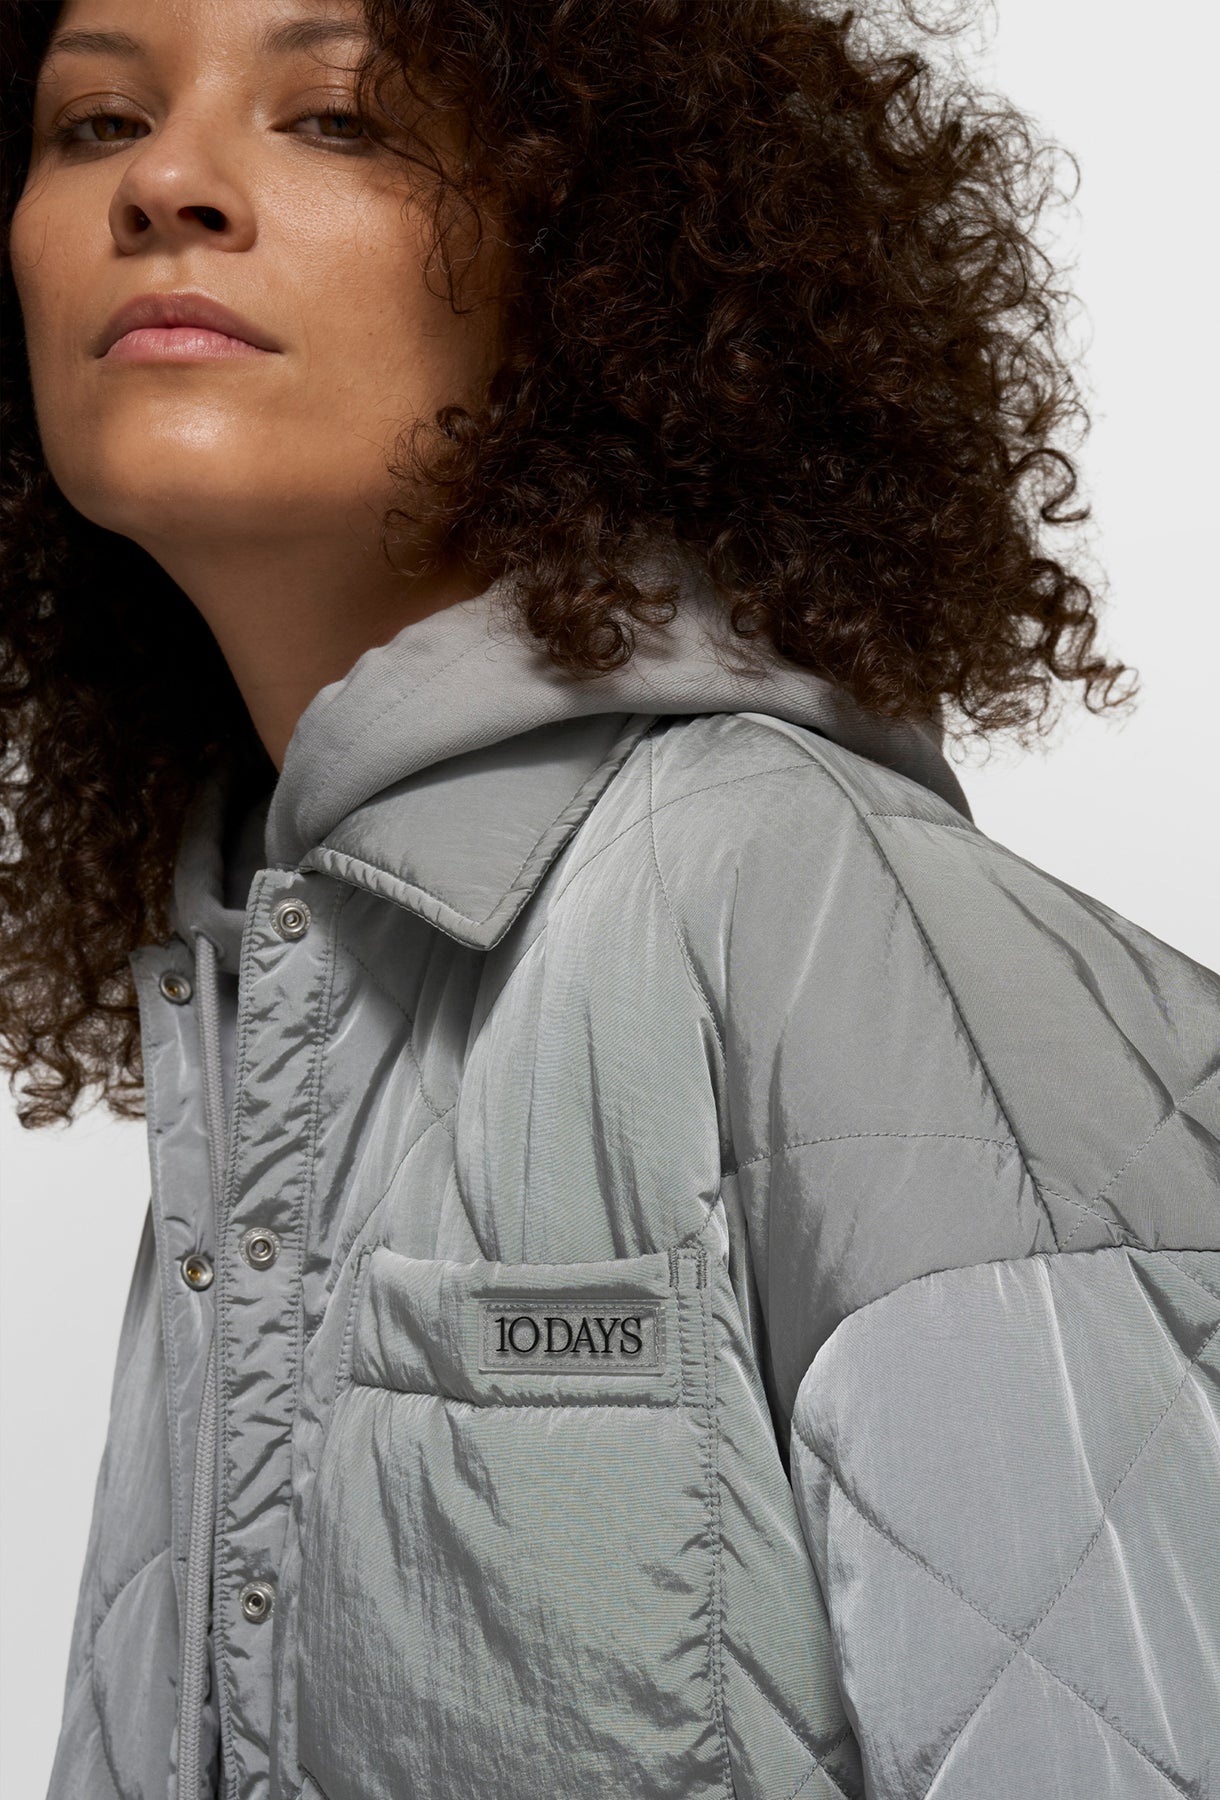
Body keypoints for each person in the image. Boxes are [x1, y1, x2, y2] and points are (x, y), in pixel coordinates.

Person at [3, 0, 1218, 1794]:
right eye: (97, 121)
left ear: (597, 250)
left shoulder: (840, 935)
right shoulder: (263, 980)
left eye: (338, 117)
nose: (166, 183)